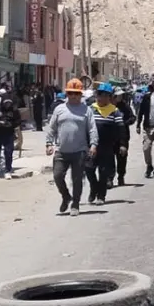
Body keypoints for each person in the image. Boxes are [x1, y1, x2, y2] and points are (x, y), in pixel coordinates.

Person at [46, 79, 98, 216]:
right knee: (57, 176)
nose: (73, 96)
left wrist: (93, 144)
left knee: (77, 179)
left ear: (81, 95)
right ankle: (66, 196)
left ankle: (75, 204)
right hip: (61, 151)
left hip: (79, 151)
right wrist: (48, 143)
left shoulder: (87, 110)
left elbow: (92, 129)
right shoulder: (59, 109)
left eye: (76, 93)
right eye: (70, 93)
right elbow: (52, 127)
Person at [85, 84, 125, 205]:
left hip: (106, 146)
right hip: (91, 146)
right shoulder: (90, 109)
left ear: (109, 97)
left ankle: (101, 196)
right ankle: (94, 188)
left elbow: (121, 129)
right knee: (89, 169)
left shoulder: (114, 111)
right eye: (98, 94)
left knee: (103, 172)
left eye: (103, 95)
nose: (100, 98)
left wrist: (122, 144)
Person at [0, 93, 21, 179]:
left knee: (9, 152)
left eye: (9, 103)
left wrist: (11, 124)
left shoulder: (14, 111)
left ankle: (8, 170)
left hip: (8, 134)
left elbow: (18, 121)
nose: (7, 105)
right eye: (6, 103)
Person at [112, 88, 135, 186]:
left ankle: (121, 176)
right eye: (118, 95)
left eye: (121, 95)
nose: (120, 97)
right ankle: (109, 178)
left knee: (122, 158)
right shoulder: (107, 106)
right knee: (109, 159)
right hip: (111, 137)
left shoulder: (125, 106)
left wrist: (126, 122)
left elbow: (132, 117)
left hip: (123, 137)